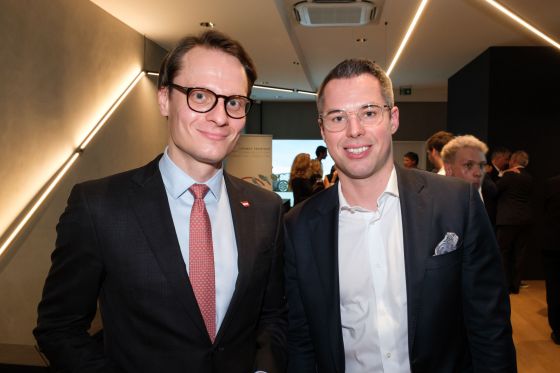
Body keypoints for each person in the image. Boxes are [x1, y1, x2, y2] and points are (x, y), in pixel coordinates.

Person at [34, 31, 287, 373]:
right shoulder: (99, 206)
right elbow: (59, 328)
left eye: (234, 101)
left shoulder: (266, 209)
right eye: (200, 95)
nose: (219, 116)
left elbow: (272, 316)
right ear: (165, 99)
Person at [284, 58, 516, 372]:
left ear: (392, 118)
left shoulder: (456, 203)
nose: (355, 130)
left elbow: (489, 327)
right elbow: (301, 341)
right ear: (323, 128)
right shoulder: (298, 227)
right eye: (338, 117)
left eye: (368, 113)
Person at [496, 150, 533, 294]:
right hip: (525, 220)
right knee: (519, 253)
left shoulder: (510, 175)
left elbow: (494, 189)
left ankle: (504, 285)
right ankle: (515, 285)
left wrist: (503, 174)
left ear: (514, 160)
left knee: (503, 253)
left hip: (508, 220)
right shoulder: (529, 177)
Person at [441, 134, 498, 225]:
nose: (478, 173)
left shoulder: (477, 200)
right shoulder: (436, 207)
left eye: (481, 165)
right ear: (449, 169)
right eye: (468, 165)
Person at [543, 174, 560, 345]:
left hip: (553, 244)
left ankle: (558, 330)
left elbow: (542, 210)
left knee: (554, 288)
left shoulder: (551, 183)